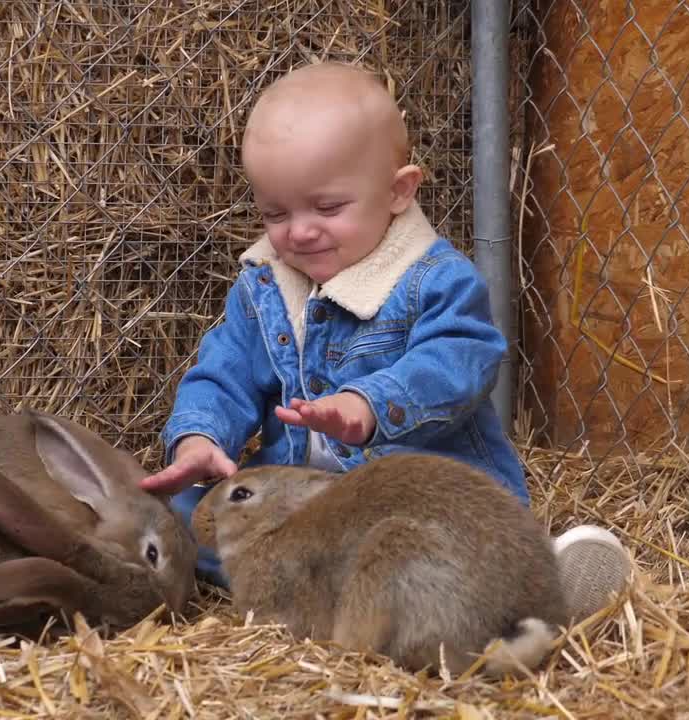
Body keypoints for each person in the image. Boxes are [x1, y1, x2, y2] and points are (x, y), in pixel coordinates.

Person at [139, 61, 631, 622]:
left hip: (411, 509)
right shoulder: (263, 287)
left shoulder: (434, 280)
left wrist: (371, 403)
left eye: (327, 208)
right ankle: (324, 598)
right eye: (275, 213)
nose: (298, 231)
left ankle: (538, 584)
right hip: (300, 516)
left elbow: (461, 361)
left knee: (439, 554)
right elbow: (223, 372)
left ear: (399, 192)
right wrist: (201, 437)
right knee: (176, 517)